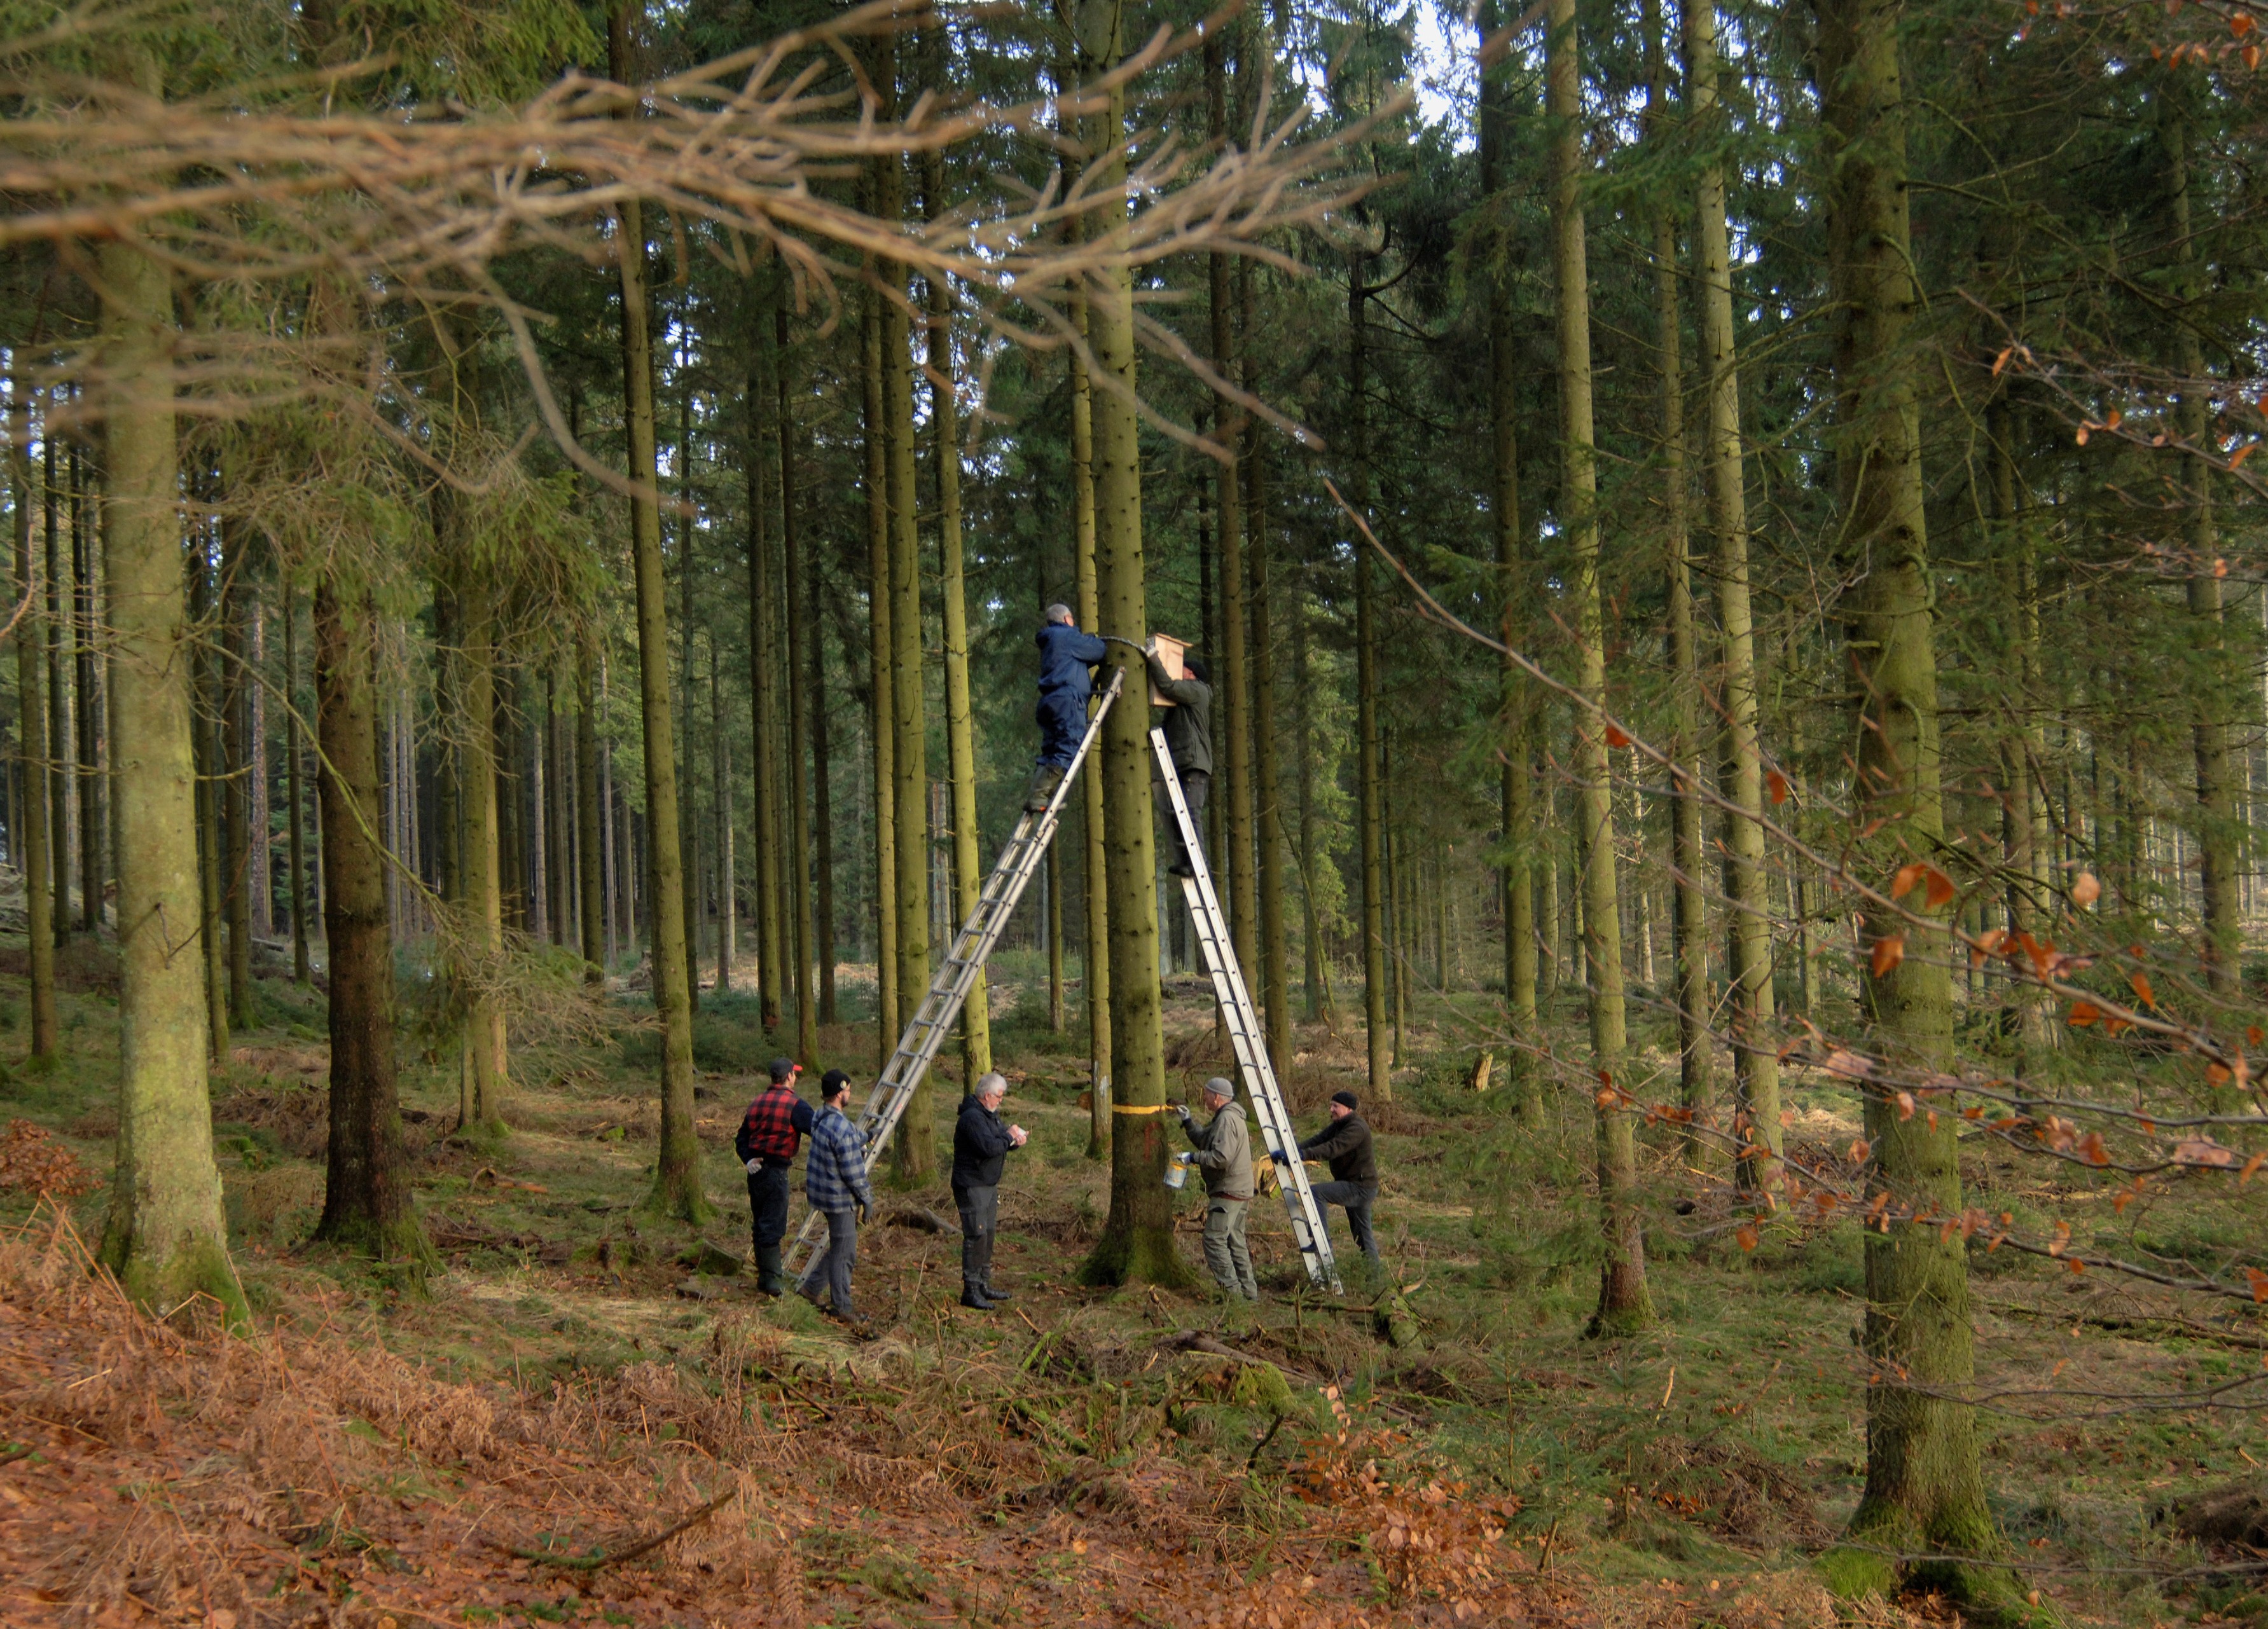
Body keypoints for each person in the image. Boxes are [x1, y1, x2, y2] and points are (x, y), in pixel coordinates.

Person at [735, 1057, 814, 1295]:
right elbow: (818, 1129)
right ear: (788, 1076)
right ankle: (773, 1282)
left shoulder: (756, 1102)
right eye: (795, 1074)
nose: (796, 1078)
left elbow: (741, 1138)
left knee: (760, 1223)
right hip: (777, 1172)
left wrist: (748, 1160)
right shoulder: (796, 1105)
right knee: (773, 1225)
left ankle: (764, 1277)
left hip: (756, 1172)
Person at [798, 1069, 872, 1324]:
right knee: (846, 1254)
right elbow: (853, 1172)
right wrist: (867, 1199)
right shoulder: (840, 1127)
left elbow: (850, 1133)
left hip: (822, 1194)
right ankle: (842, 1306)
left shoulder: (821, 1116)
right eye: (849, 1090)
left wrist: (866, 1136)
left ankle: (811, 1288)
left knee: (840, 1248)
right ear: (841, 1093)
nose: (850, 1094)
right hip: (838, 1199)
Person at [1175, 1076, 1258, 1301]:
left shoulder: (1227, 1120)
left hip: (1228, 1191)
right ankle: (1249, 1295)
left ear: (1217, 1097)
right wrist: (1188, 1122)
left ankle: (1233, 1295)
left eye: (1207, 1094)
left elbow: (1221, 1158)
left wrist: (1192, 1158)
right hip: (1238, 1189)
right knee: (1235, 1241)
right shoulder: (1224, 1117)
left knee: (1213, 1240)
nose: (1205, 1098)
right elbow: (1205, 1140)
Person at [951, 1071, 1028, 1309]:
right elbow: (988, 1146)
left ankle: (984, 1283)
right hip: (972, 1184)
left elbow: (998, 1143)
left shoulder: (990, 1116)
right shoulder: (972, 1118)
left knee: (989, 1234)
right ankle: (971, 1289)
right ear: (987, 1095)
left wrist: (1014, 1141)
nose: (1001, 1101)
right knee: (976, 1235)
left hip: (988, 1184)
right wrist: (1008, 1137)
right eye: (999, 1096)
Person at [1026, 603, 1109, 813]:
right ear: (1066, 619)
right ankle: (1039, 796)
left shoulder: (1052, 641)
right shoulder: (1067, 636)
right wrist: (1089, 639)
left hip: (1050, 701)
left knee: (1051, 750)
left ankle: (1037, 794)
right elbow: (1099, 650)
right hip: (1067, 701)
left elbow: (1081, 659)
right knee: (1068, 747)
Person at [1287, 1089, 1381, 1266]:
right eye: (1330, 1105)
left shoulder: (1356, 1128)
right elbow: (1319, 1140)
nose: (1331, 1109)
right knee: (1363, 1236)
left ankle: (1321, 1240)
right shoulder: (1340, 1125)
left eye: (1335, 1106)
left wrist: (1301, 1155)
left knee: (1316, 1193)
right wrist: (1293, 1150)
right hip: (1358, 1185)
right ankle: (1374, 1280)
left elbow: (1333, 1148)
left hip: (1360, 1187)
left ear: (1348, 1109)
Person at [1147, 647, 1212, 877]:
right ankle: (1188, 861)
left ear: (1191, 674)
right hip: (1184, 760)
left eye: (1183, 669)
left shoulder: (1198, 691)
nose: (1178, 671)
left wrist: (1154, 658)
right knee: (1178, 811)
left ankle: (1199, 864)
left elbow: (1168, 686)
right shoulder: (1183, 703)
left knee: (1191, 813)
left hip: (1194, 763)